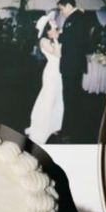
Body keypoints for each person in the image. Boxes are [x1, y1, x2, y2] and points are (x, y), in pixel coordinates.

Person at [25, 15, 63, 144]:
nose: (56, 30)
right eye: (53, 28)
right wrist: (57, 39)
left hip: (58, 72)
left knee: (57, 97)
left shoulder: (50, 39)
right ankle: (43, 126)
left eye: (56, 28)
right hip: (51, 72)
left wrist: (57, 36)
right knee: (48, 98)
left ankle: (54, 124)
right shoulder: (43, 41)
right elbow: (57, 54)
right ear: (47, 30)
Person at [57, 0, 90, 140]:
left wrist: (58, 36)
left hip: (72, 65)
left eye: (62, 9)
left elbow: (74, 40)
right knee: (70, 97)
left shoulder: (78, 18)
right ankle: (68, 128)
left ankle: (69, 131)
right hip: (72, 64)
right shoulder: (76, 18)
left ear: (69, 5)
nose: (61, 12)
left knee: (70, 98)